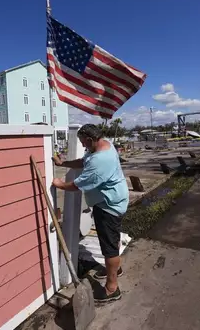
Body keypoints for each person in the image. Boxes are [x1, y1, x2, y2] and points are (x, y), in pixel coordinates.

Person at [52, 124, 128, 303]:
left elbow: (77, 185)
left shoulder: (100, 160)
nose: (83, 146)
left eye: (83, 143)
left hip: (108, 206)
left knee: (109, 247)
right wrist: (64, 163)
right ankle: (115, 269)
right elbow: (83, 161)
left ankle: (112, 289)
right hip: (114, 199)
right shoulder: (103, 145)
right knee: (113, 239)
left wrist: (59, 184)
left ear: (91, 140)